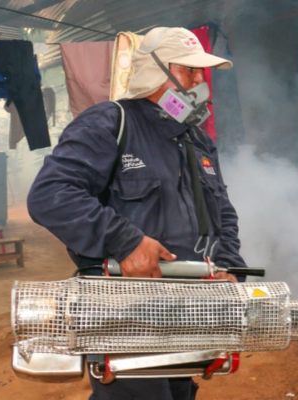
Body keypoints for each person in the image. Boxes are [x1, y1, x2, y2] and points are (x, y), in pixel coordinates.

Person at [27, 27, 248, 400]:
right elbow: (51, 195)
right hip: (125, 313)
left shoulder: (198, 139)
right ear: (155, 70)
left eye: (201, 71)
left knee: (179, 394)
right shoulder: (110, 122)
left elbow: (223, 214)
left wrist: (227, 264)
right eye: (189, 70)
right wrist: (126, 241)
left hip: (188, 311)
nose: (200, 79)